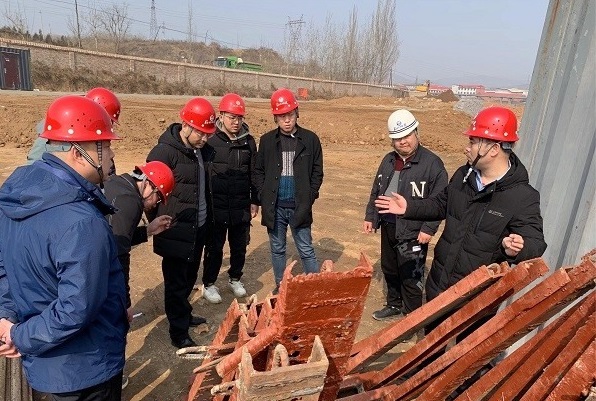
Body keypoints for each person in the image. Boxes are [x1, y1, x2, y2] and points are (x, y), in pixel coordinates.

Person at [0, 95, 127, 400]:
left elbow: (5, 265)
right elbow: (76, 308)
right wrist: (20, 335)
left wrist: (6, 315)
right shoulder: (82, 222)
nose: (111, 155)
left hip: (46, 369)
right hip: (84, 370)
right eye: (105, 146)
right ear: (78, 152)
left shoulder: (15, 195)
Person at [375, 106, 547, 326]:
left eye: (473, 142)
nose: (467, 148)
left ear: (493, 149)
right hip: (440, 286)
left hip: (477, 299)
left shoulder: (523, 197)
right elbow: (440, 204)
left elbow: (536, 243)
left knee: (467, 346)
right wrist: (409, 207)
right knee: (432, 343)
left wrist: (518, 248)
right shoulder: (463, 176)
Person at [364, 109, 448, 320]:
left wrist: (428, 228)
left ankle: (411, 316)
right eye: (397, 138)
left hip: (414, 230)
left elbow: (440, 200)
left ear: (416, 132)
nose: (402, 141)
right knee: (390, 269)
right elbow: (377, 190)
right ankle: (394, 304)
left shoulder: (432, 164)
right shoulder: (388, 161)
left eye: (407, 135)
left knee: (411, 275)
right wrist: (371, 217)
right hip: (389, 225)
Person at [146, 97, 216, 349]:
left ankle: (184, 315)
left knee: (188, 279)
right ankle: (178, 332)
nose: (205, 138)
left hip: (198, 228)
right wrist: (162, 225)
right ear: (185, 125)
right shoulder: (163, 153)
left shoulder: (202, 151)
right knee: (176, 284)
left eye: (208, 134)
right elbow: (148, 196)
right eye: (200, 133)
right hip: (176, 231)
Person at [254, 88, 324, 294]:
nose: (287, 120)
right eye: (282, 116)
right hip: (275, 206)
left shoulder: (310, 140)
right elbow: (258, 171)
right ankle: (281, 286)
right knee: (278, 249)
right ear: (275, 118)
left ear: (297, 113)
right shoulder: (267, 141)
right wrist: (263, 194)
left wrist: (309, 195)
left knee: (305, 248)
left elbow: (317, 172)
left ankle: (314, 288)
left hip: (299, 205)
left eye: (290, 115)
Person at [201, 93, 258, 304]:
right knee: (214, 247)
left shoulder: (249, 142)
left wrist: (255, 200)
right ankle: (209, 284)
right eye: (232, 117)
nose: (236, 122)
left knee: (239, 246)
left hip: (240, 204)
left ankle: (235, 279)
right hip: (216, 206)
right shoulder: (210, 140)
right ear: (222, 115)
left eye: (240, 118)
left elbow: (254, 173)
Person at [103, 161, 175, 317]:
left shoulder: (119, 183)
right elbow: (119, 254)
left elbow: (117, 235)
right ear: (148, 184)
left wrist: (147, 231)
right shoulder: (130, 201)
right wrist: (125, 303)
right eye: (158, 197)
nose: (155, 204)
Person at [27, 87, 121, 173]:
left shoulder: (85, 135)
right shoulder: (59, 135)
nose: (107, 125)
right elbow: (35, 165)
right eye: (106, 119)